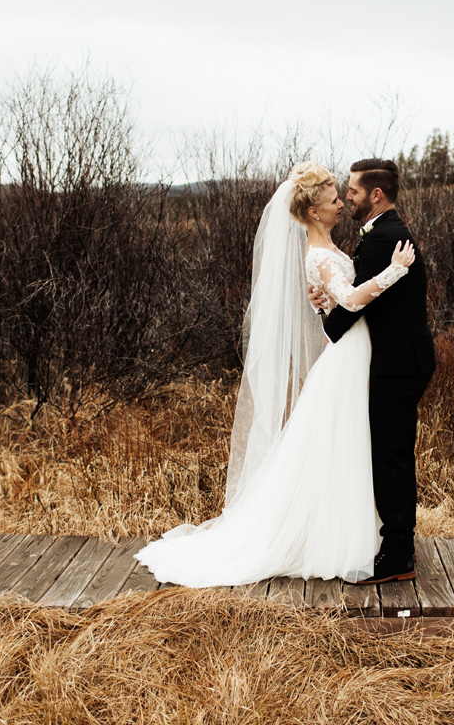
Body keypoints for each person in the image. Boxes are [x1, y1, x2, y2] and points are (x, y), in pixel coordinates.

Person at [133, 162, 415, 587]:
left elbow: (336, 305)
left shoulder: (331, 251)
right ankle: (335, 539)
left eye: (343, 196)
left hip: (357, 353)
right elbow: (354, 302)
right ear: (314, 212)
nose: (341, 204)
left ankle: (358, 535)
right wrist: (394, 271)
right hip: (348, 359)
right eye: (334, 200)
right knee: (345, 443)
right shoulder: (319, 256)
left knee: (350, 446)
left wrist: (323, 306)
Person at [311, 158, 435, 584]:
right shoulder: (384, 234)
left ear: (375, 195)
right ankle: (398, 544)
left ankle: (398, 554)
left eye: (353, 190)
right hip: (398, 360)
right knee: (390, 454)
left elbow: (349, 310)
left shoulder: (385, 240)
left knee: (391, 458)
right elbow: (358, 298)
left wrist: (326, 319)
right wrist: (324, 299)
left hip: (397, 364)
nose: (348, 196)